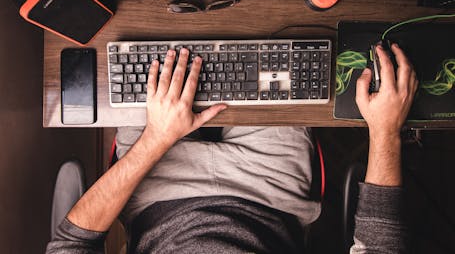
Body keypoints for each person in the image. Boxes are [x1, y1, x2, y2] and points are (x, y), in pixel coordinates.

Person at [46, 43, 418, 253]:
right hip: (267, 196)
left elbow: (70, 242)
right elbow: (381, 247)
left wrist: (156, 139)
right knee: (276, 47)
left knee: (155, 48)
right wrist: (386, 132)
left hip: (157, 194)